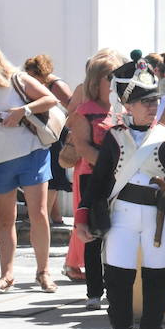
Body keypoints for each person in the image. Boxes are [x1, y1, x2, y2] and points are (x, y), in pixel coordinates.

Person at [75, 53, 165, 329]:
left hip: (158, 219)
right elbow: (100, 180)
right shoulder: (115, 138)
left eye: (154, 101)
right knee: (117, 279)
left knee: (157, 280)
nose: (152, 107)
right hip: (122, 218)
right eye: (145, 102)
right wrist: (83, 215)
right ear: (128, 106)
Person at [0, 40, 59, 293]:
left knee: (39, 214)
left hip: (32, 154)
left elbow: (50, 99)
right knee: (5, 219)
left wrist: (24, 111)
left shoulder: (18, 79)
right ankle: (6, 275)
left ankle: (43, 272)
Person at [66, 49, 124, 307]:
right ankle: (94, 292)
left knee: (117, 235)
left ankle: (114, 289)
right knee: (93, 235)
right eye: (112, 75)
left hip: (117, 178)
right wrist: (109, 166)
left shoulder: (118, 109)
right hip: (92, 178)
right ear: (98, 78)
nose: (116, 81)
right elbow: (82, 147)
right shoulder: (84, 111)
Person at [23, 55, 75, 227]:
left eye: (32, 75)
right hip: (47, 131)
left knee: (53, 174)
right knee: (50, 172)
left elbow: (73, 108)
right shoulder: (43, 85)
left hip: (57, 131)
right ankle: (56, 217)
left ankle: (42, 218)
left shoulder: (56, 85)